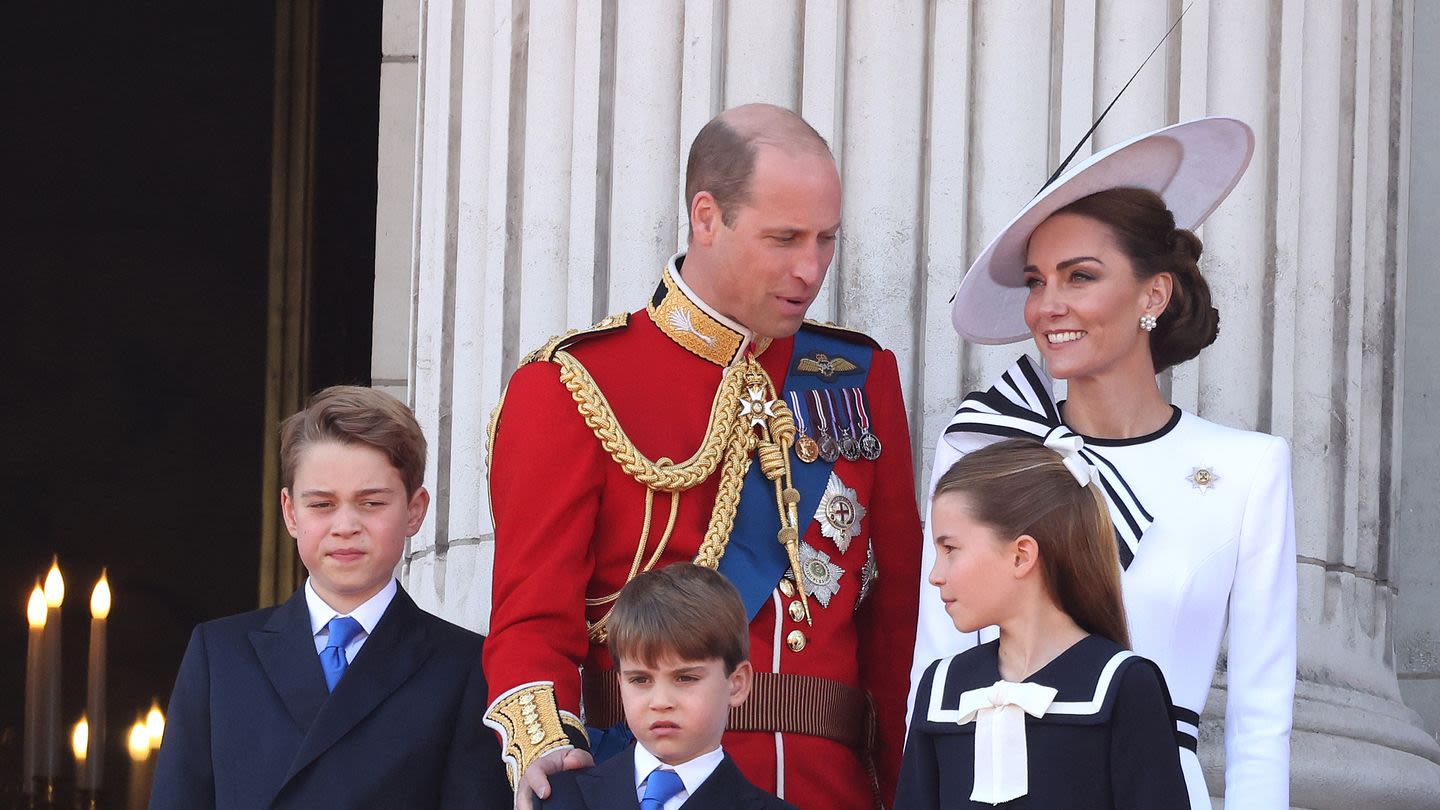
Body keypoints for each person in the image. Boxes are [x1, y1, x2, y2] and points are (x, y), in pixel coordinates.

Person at [485, 103, 923, 809]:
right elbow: (531, 617)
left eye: (825, 241)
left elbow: (897, 623)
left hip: (827, 789)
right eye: (784, 239)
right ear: (707, 216)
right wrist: (547, 752)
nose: (810, 269)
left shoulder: (856, 376)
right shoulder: (573, 385)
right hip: (648, 780)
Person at [913, 117, 1296, 808]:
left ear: (1153, 294)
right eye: (1037, 280)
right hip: (1000, 780)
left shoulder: (1247, 469)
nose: (1047, 305)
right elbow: (938, 661)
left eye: (1079, 276)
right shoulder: (984, 447)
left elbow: (1261, 721)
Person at [150, 386, 512, 809]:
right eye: (322, 504)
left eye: (371, 502)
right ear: (289, 512)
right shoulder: (219, 656)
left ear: (414, 510)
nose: (345, 525)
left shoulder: (466, 667)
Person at [897, 439, 1189, 808]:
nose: (935, 576)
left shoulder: (1121, 686)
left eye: (950, 549)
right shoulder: (942, 689)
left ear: (1021, 555)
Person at [538, 564, 795, 809]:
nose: (660, 702)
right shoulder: (558, 798)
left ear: (737, 684)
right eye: (640, 680)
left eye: (685, 678)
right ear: (620, 683)